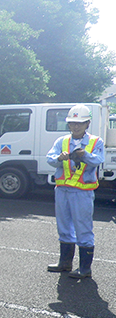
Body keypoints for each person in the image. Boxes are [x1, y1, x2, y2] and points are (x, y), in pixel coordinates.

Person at [46, 104, 104, 279]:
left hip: (82, 193)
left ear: (87, 124)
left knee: (83, 228)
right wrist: (59, 158)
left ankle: (85, 269)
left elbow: (98, 159)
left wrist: (84, 154)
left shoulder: (96, 141)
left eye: (80, 123)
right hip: (63, 190)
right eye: (72, 123)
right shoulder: (61, 141)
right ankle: (65, 263)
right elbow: (50, 158)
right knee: (63, 227)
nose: (76, 126)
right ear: (68, 124)